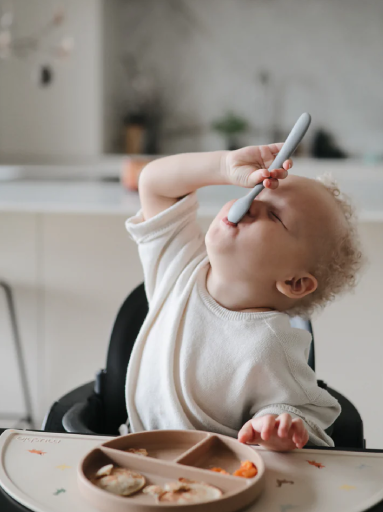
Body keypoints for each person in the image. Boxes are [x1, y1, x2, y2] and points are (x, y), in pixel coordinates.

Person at [124, 143, 363, 450]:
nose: (249, 203)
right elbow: (153, 183)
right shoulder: (179, 263)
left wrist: (278, 425)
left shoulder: (273, 347)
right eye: (256, 193)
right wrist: (224, 165)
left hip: (213, 479)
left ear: (295, 282)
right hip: (131, 454)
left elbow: (304, 415)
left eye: (275, 216)